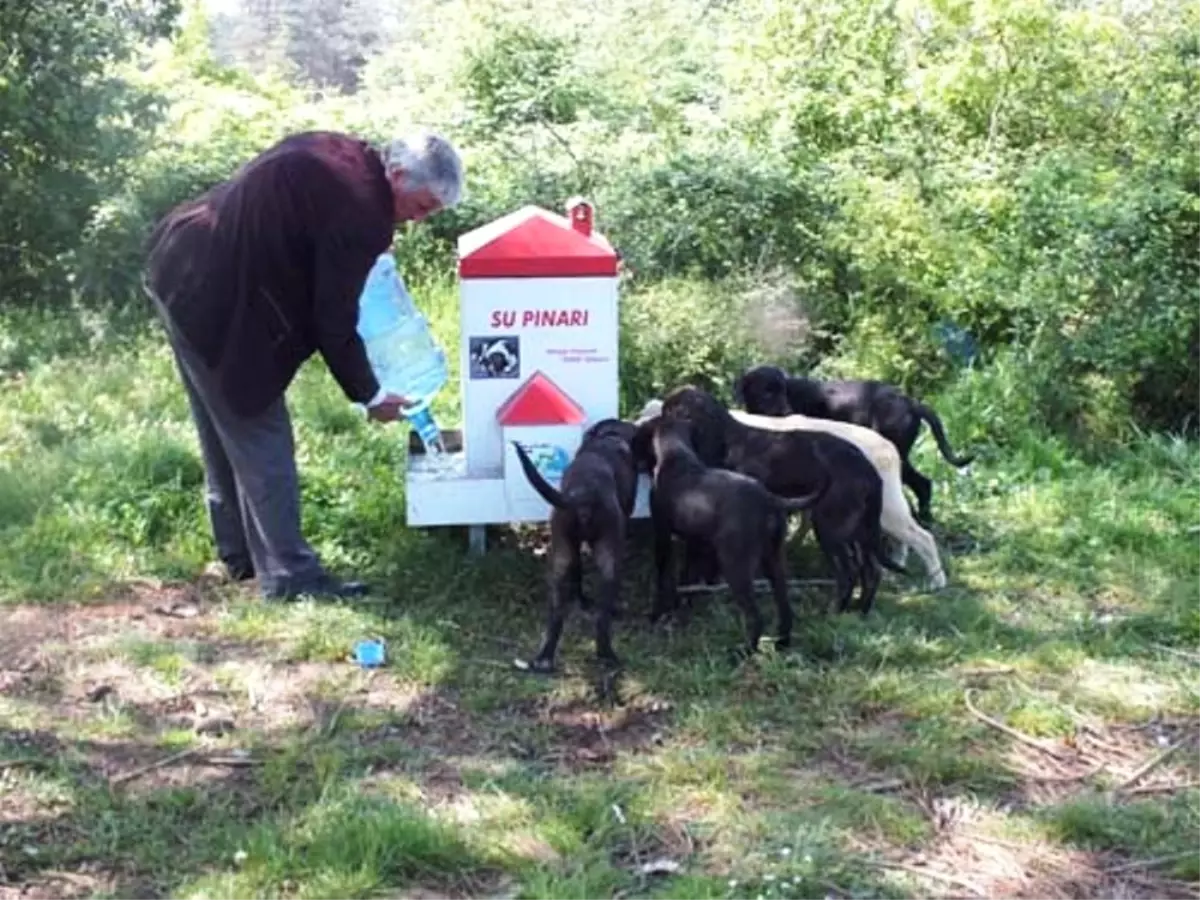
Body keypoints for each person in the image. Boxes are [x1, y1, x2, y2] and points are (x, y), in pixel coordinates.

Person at [143, 129, 465, 601]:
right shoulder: (362, 214)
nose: (417, 222)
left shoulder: (346, 153)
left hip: (180, 259)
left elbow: (308, 222)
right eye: (421, 208)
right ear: (397, 174)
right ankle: (291, 578)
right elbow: (334, 320)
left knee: (224, 424)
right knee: (260, 431)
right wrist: (370, 394)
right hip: (217, 297)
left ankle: (240, 556)